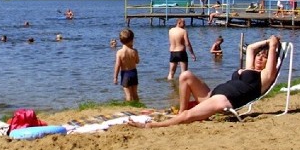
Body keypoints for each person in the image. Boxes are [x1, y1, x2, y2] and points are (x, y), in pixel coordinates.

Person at [132, 36, 282, 128]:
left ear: (270, 61)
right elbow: (250, 48)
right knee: (186, 75)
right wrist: (268, 41)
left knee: (189, 116)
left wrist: (273, 44)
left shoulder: (265, 76)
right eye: (259, 56)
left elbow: (272, 51)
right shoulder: (250, 68)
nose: (259, 58)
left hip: (224, 100)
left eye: (264, 57)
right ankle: (182, 111)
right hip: (212, 95)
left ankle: (152, 126)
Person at [113, 27, 140, 102]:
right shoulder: (134, 51)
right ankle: (138, 106)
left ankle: (129, 107)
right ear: (132, 40)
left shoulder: (119, 52)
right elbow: (137, 61)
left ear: (121, 41)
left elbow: (117, 65)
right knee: (135, 94)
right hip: (134, 73)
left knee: (128, 95)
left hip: (125, 74)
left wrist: (115, 77)